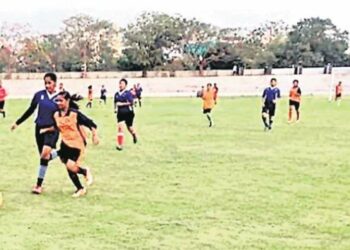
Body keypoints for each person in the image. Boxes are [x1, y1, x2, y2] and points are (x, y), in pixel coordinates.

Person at [41, 91, 99, 198]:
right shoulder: (56, 115)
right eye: (57, 100)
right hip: (65, 144)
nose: (58, 103)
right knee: (69, 168)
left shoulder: (74, 114)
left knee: (70, 166)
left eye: (61, 100)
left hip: (77, 144)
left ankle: (85, 171)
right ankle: (80, 189)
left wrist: (95, 135)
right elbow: (57, 127)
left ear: (67, 101)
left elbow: (91, 123)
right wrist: (46, 129)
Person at [11, 73, 60, 194]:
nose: (47, 85)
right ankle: (62, 152)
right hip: (39, 130)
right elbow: (30, 110)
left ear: (55, 83)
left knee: (44, 154)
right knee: (44, 158)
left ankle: (38, 185)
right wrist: (17, 122)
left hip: (52, 130)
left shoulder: (60, 97)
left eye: (49, 82)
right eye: (45, 83)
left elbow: (67, 113)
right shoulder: (39, 95)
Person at [114, 79, 138, 151]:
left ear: (125, 85)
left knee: (129, 127)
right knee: (120, 128)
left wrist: (121, 104)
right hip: (120, 113)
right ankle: (120, 145)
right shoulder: (117, 94)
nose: (120, 85)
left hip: (128, 113)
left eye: (122, 84)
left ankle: (134, 134)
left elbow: (131, 102)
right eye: (120, 83)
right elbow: (115, 102)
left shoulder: (128, 93)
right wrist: (115, 108)